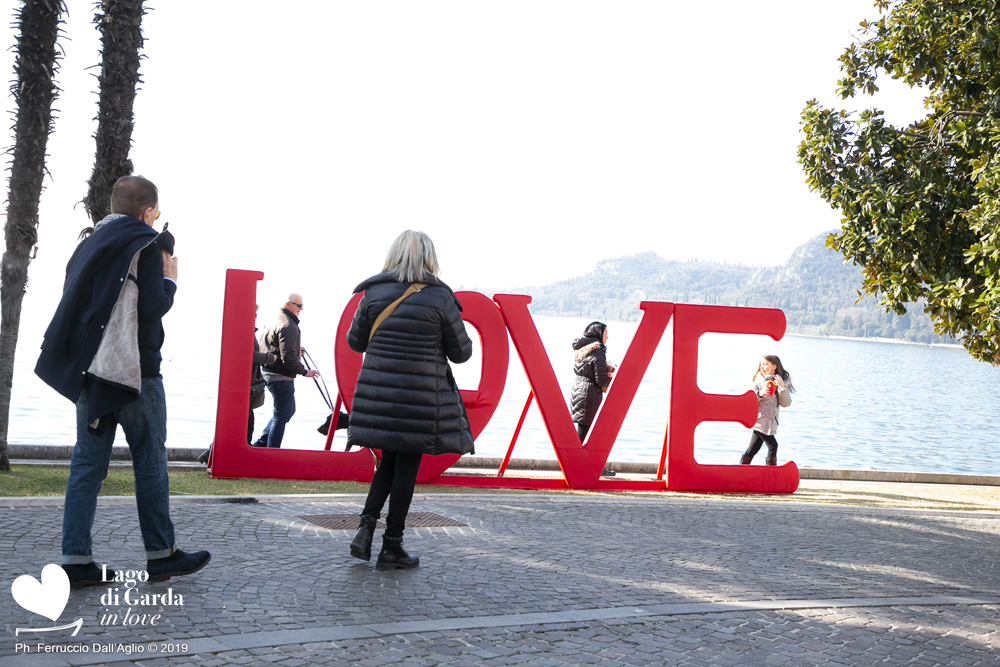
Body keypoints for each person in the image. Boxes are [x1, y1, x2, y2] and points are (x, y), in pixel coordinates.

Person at [34, 175, 210, 588]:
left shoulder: (88, 244)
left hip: (90, 372)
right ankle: (161, 556)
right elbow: (152, 308)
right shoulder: (146, 244)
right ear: (148, 212)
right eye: (156, 213)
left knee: (86, 467)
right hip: (135, 373)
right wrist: (170, 280)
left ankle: (76, 560)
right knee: (149, 461)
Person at [346, 230, 474, 570]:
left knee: (388, 462)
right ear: (429, 258)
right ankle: (392, 546)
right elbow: (461, 353)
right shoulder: (440, 298)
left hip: (380, 396)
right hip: (420, 398)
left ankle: (365, 526)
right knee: (405, 469)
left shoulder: (372, 293)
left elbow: (355, 342)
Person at [198, 304, 276, 464]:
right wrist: (269, 358)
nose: (255, 317)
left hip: (242, 384)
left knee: (237, 424)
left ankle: (212, 455)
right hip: (244, 385)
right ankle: (226, 457)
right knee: (244, 425)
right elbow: (249, 354)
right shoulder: (244, 332)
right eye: (254, 314)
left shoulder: (243, 331)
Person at [251, 294, 320, 449]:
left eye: (302, 306)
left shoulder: (277, 318)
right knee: (281, 416)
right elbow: (287, 357)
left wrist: (296, 349)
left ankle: (261, 444)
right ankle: (272, 452)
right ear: (288, 304)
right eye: (299, 306)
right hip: (280, 376)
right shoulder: (288, 325)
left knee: (288, 411)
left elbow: (275, 344)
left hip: (269, 372)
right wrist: (304, 372)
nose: (301, 309)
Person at [570, 322, 618, 477]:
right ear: (598, 334)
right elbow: (602, 381)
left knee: (583, 431)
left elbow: (588, 371)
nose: (608, 337)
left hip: (578, 390)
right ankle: (592, 467)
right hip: (590, 394)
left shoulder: (582, 348)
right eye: (606, 333)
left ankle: (578, 465)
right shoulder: (597, 351)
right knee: (591, 434)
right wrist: (611, 373)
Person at [739, 354, 794, 466]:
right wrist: (759, 394)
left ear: (774, 366)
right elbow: (748, 399)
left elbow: (786, 403)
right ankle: (771, 475)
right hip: (759, 420)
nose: (762, 367)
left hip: (771, 422)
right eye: (761, 364)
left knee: (752, 449)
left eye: (765, 364)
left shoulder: (782, 381)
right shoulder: (758, 380)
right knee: (773, 445)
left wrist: (782, 387)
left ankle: (739, 471)